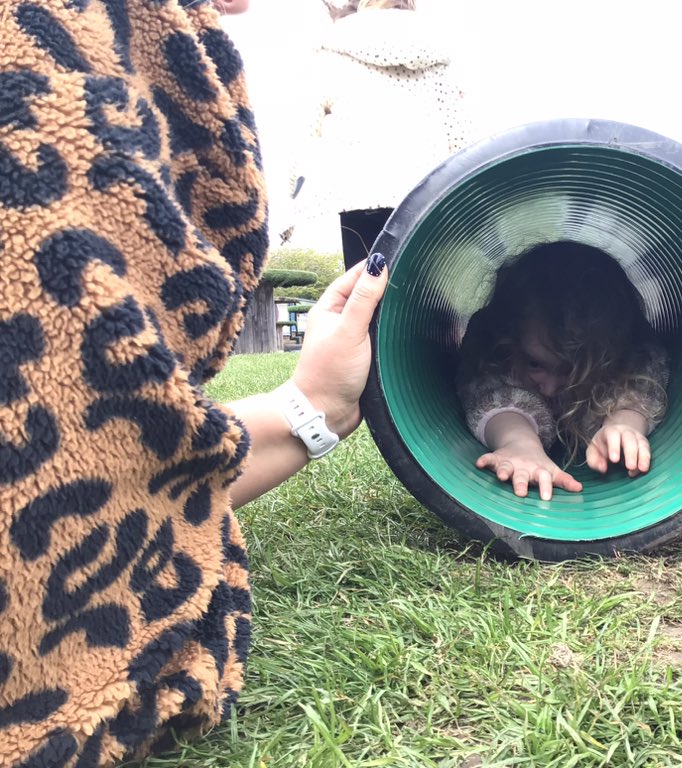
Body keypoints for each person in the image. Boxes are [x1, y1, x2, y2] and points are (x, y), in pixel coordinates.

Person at [0, 1, 387, 765]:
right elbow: (66, 512)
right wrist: (310, 410)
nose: (239, 11)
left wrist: (309, 408)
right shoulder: (46, 52)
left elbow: (93, 460)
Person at [456, 243, 670, 502]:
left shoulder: (629, 359)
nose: (549, 387)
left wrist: (624, 425)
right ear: (510, 337)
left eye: (569, 369)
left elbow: (639, 387)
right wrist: (519, 443)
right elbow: (495, 398)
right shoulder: (504, 355)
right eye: (536, 364)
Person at [281, 0, 474, 267]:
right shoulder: (435, 48)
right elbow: (460, 140)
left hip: (359, 193)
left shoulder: (332, 50)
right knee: (424, 294)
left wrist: (288, 209)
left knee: (367, 293)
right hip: (428, 195)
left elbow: (304, 138)